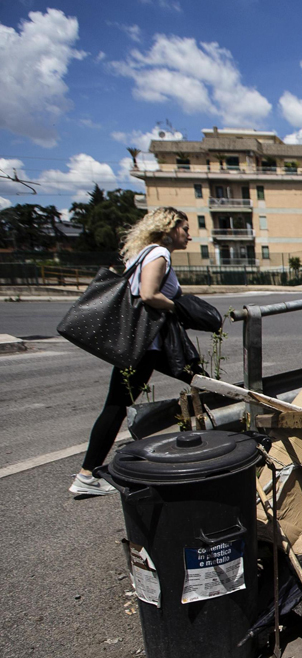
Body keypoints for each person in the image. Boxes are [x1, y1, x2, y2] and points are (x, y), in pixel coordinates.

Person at [69, 207, 193, 496]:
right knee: (116, 407)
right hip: (146, 345)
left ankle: (88, 473)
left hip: (143, 343)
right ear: (170, 228)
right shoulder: (159, 254)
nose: (189, 235)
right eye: (185, 229)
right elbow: (149, 294)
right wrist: (180, 308)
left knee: (196, 377)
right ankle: (87, 475)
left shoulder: (144, 253)